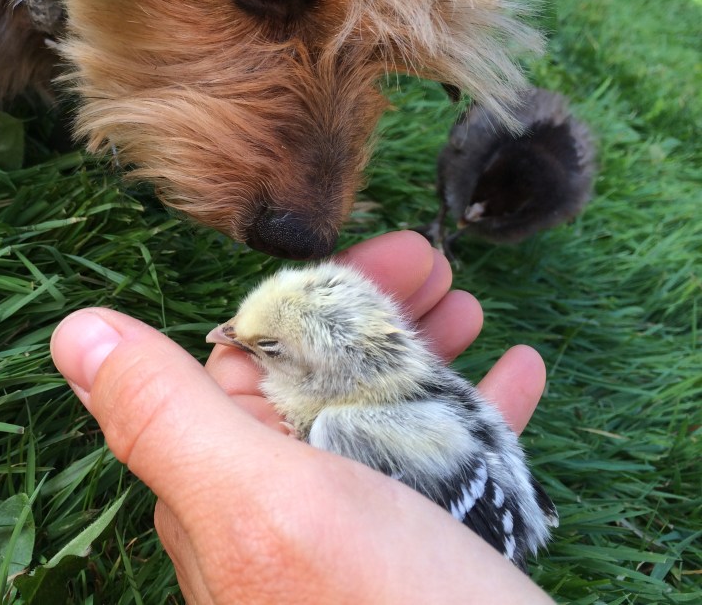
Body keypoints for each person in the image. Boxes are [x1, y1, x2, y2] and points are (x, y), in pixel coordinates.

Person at [50, 231, 554, 604]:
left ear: (318, 376)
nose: (226, 333)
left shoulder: (348, 427)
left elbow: (481, 536)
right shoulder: (417, 386)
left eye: (267, 345)